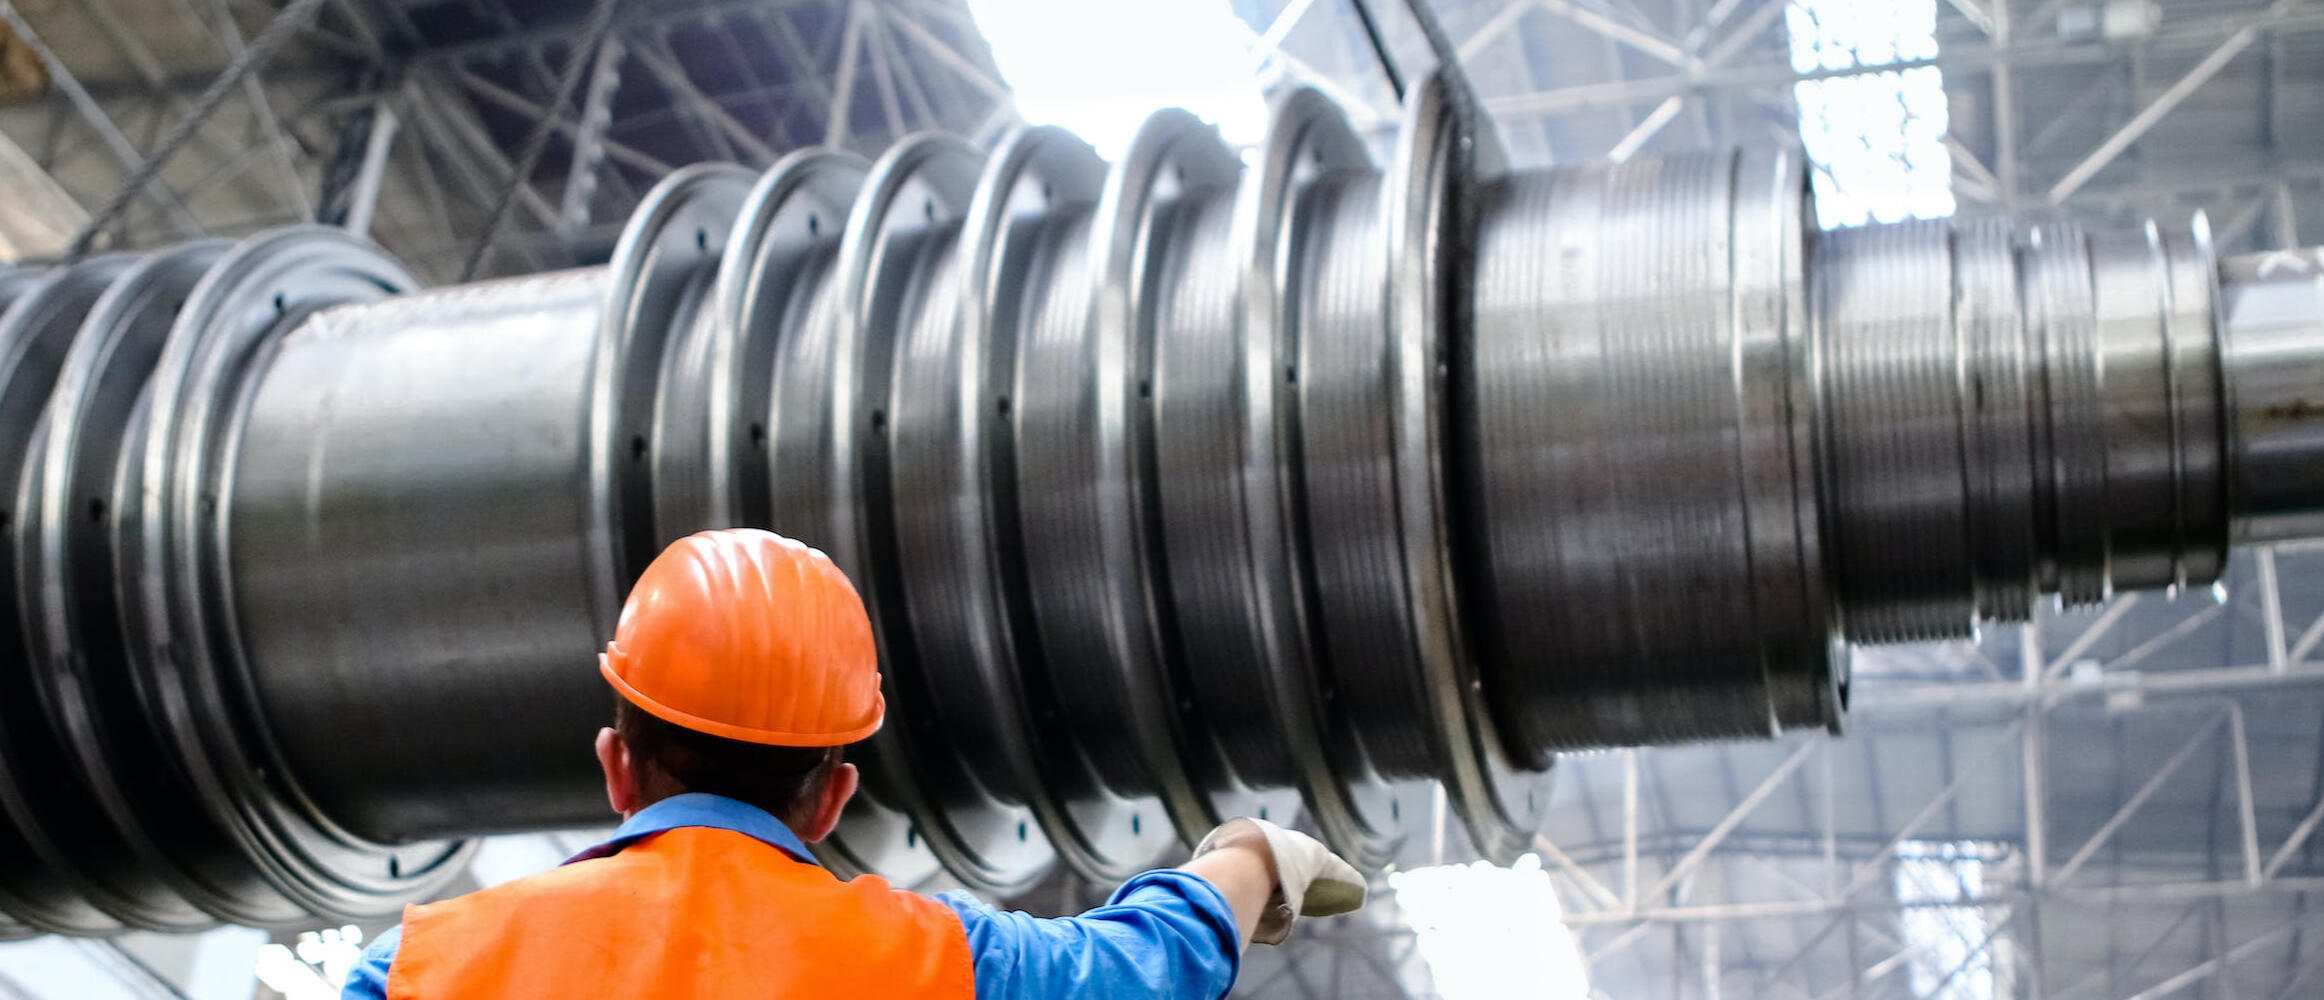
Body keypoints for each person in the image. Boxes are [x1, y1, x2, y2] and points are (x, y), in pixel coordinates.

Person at [343, 527, 1363, 999]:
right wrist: (1250, 858)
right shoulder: (938, 963)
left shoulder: (422, 969)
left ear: (617, 766)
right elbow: (1141, 967)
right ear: (832, 795)